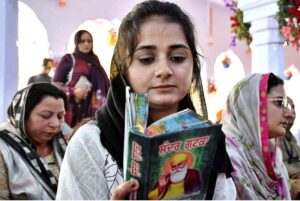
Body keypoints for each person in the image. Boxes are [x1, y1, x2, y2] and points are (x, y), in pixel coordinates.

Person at [56, 1, 236, 200]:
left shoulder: (210, 142)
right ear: (125, 69)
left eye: (177, 57)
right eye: (146, 59)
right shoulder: (90, 145)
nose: (164, 71)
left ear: (193, 65)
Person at [222, 73, 293, 199]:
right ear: (252, 104)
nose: (289, 114)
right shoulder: (226, 155)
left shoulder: (275, 156)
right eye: (279, 102)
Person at [0, 83, 68, 199]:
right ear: (22, 116)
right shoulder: (4, 147)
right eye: (46, 115)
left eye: (60, 116)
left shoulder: (63, 145)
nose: (55, 124)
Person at [53, 30, 110, 128]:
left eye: (89, 41)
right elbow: (55, 85)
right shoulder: (69, 59)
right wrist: (73, 91)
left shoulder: (95, 61)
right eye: (82, 41)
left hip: (92, 111)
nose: (86, 44)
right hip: (73, 111)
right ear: (76, 43)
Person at [276, 96, 300, 199]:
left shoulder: (291, 136)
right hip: (286, 180)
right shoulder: (275, 136)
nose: (292, 112)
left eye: (293, 107)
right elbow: (280, 166)